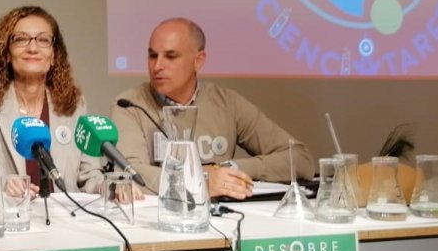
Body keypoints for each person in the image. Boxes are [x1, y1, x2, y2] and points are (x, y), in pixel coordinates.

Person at [115, 17, 313, 199]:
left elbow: (301, 159)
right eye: (152, 56)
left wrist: (232, 168)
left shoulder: (227, 102)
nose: (157, 66)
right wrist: (200, 180)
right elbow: (129, 172)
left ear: (198, 60)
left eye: (170, 56)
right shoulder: (130, 104)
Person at [0, 6, 105, 193]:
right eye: (21, 39)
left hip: (64, 211)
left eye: (43, 40)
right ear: (6, 53)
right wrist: (2, 185)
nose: (32, 48)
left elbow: (89, 174)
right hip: (13, 210)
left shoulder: (74, 104)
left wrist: (108, 187)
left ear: (54, 55)